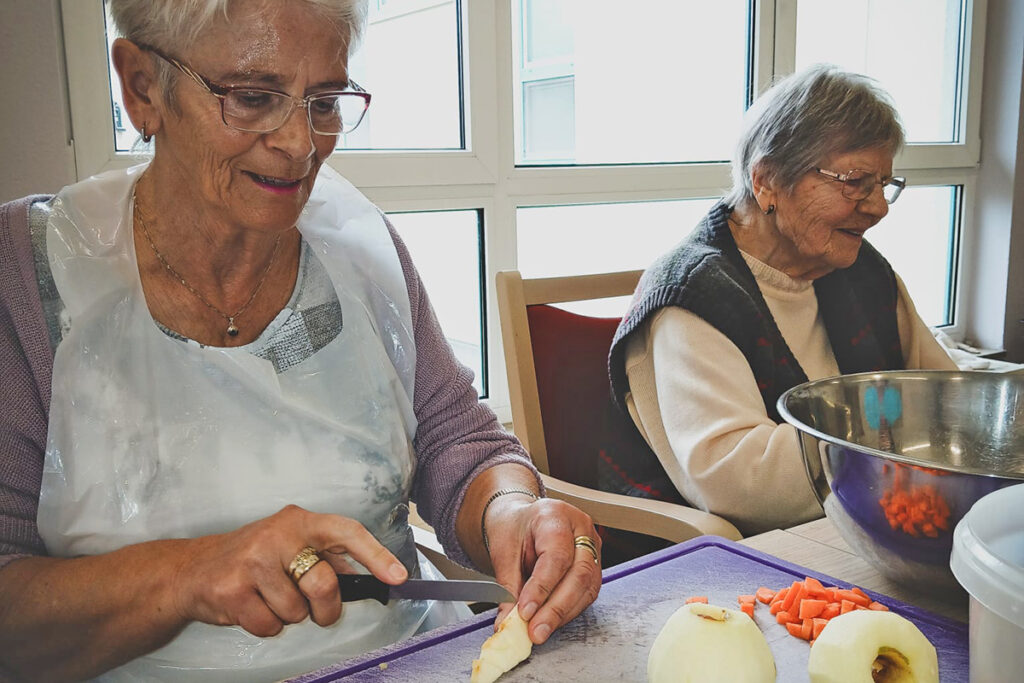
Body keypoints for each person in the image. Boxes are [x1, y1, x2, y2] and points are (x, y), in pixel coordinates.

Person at [0, 1, 601, 680]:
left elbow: (455, 443)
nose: (300, 143)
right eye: (253, 97)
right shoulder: (32, 277)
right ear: (142, 87)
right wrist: (187, 573)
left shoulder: (361, 250)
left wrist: (513, 510)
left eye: (324, 100)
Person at [606, 64, 957, 536]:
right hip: (753, 554)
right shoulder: (691, 294)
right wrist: (897, 433)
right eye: (855, 181)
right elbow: (736, 482)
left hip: (869, 520)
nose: (878, 207)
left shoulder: (860, 270)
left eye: (883, 184)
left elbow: (947, 399)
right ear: (767, 180)